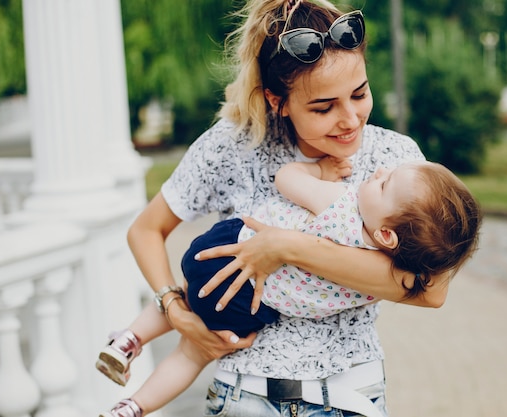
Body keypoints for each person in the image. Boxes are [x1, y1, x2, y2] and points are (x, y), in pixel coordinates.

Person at [101, 0, 483, 415]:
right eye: (323, 107)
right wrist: (175, 311)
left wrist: (286, 248)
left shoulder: (397, 160)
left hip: (347, 396)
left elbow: (431, 290)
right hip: (241, 395)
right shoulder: (231, 145)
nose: (351, 119)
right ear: (276, 100)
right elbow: (145, 230)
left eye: (360, 93)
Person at [96, 154, 481, 417]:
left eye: (384, 184)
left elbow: (287, 178)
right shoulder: (385, 277)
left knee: (185, 292)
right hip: (252, 305)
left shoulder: (340, 205)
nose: (377, 173)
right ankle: (132, 408)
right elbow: (430, 288)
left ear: (385, 232)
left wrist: (319, 169)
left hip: (229, 248)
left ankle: (129, 338)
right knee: (191, 356)